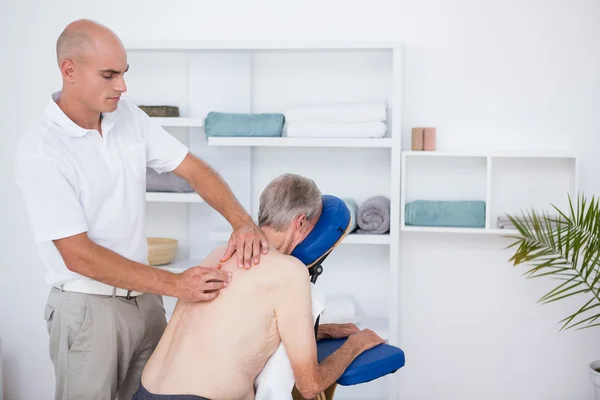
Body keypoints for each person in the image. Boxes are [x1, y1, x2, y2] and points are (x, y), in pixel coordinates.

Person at [14, 19, 268, 400]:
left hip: (146, 303)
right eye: (109, 75)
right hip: (88, 310)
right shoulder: (43, 149)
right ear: (69, 70)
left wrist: (243, 224)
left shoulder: (128, 117)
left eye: (124, 73)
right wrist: (176, 285)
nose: (122, 86)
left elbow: (194, 169)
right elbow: (77, 255)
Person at [135, 173, 385, 400]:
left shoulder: (220, 254)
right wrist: (357, 344)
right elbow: (310, 385)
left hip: (144, 391)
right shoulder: (290, 271)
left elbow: (237, 330)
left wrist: (322, 331)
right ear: (300, 223)